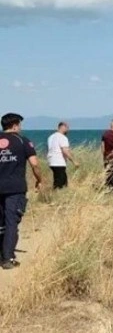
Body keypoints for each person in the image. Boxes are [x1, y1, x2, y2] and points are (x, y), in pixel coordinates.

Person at [0, 113, 42, 270]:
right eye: (19, 125)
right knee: (11, 222)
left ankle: (2, 253)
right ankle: (7, 258)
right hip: (15, 188)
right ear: (14, 126)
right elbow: (34, 164)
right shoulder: (22, 141)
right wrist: (39, 180)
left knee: (1, 222)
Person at [47, 122, 78, 189]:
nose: (68, 130)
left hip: (51, 161)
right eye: (67, 128)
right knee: (61, 184)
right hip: (59, 162)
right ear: (63, 127)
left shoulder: (51, 137)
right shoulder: (62, 137)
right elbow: (65, 150)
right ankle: (57, 194)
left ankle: (56, 193)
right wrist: (74, 161)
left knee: (59, 180)